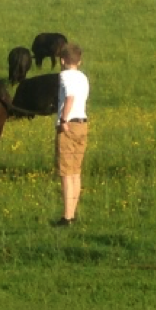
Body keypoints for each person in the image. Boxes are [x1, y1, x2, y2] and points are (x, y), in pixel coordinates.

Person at [53, 42, 89, 226]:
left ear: (62, 60)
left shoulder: (65, 76)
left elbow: (70, 97)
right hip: (83, 124)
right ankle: (72, 212)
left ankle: (66, 217)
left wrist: (63, 120)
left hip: (70, 125)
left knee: (66, 173)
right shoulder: (83, 77)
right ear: (79, 61)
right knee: (76, 172)